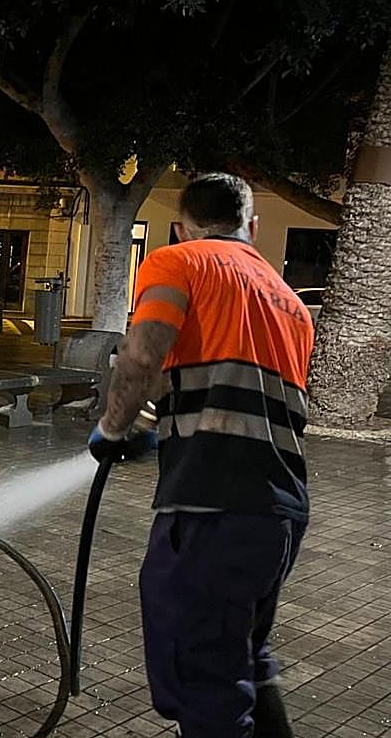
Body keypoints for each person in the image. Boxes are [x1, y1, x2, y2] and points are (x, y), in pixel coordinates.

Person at [88, 173, 313, 738]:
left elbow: (143, 357)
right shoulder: (291, 305)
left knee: (201, 678)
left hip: (210, 505)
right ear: (251, 227)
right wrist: (154, 424)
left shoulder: (178, 262)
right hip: (279, 513)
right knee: (245, 659)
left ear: (181, 228)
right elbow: (228, 388)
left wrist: (112, 430)